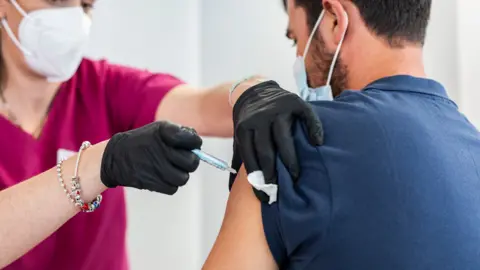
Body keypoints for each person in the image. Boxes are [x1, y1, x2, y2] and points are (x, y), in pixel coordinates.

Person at [0, 0, 324, 269]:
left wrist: (252, 92)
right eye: (57, 1)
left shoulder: (100, 86)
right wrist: (98, 164)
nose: (74, 18)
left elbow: (201, 105)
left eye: (85, 5)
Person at [204, 0, 480, 269]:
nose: (299, 56)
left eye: (295, 39)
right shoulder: (473, 147)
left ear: (335, 20)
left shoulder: (288, 143)